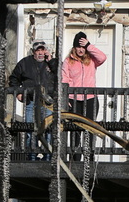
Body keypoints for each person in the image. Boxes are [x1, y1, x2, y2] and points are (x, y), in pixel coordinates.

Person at [9, 40, 58, 160]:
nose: (41, 53)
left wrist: (50, 60)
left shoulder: (52, 62)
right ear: (33, 51)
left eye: (43, 50)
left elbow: (61, 75)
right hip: (31, 102)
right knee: (30, 132)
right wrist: (19, 93)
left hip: (48, 103)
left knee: (48, 132)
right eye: (38, 50)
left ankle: (48, 159)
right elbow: (13, 79)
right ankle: (31, 158)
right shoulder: (25, 63)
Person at [62, 32, 107, 160]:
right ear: (74, 47)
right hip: (74, 100)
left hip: (91, 99)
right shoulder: (68, 61)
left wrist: (89, 46)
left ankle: (89, 159)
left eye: (83, 47)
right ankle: (75, 160)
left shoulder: (92, 60)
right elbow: (65, 79)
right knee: (75, 130)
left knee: (90, 129)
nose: (81, 50)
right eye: (78, 47)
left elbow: (103, 57)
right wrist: (67, 98)